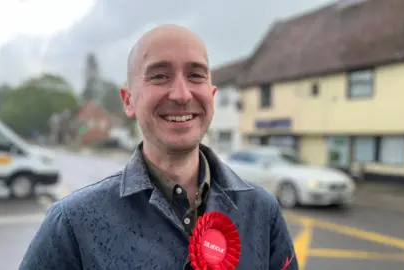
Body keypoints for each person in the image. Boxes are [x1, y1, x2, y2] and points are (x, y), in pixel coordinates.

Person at [19, 24, 298, 270]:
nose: (181, 94)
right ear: (128, 100)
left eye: (196, 75)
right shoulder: (72, 222)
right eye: (159, 76)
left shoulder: (263, 211)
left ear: (212, 96)